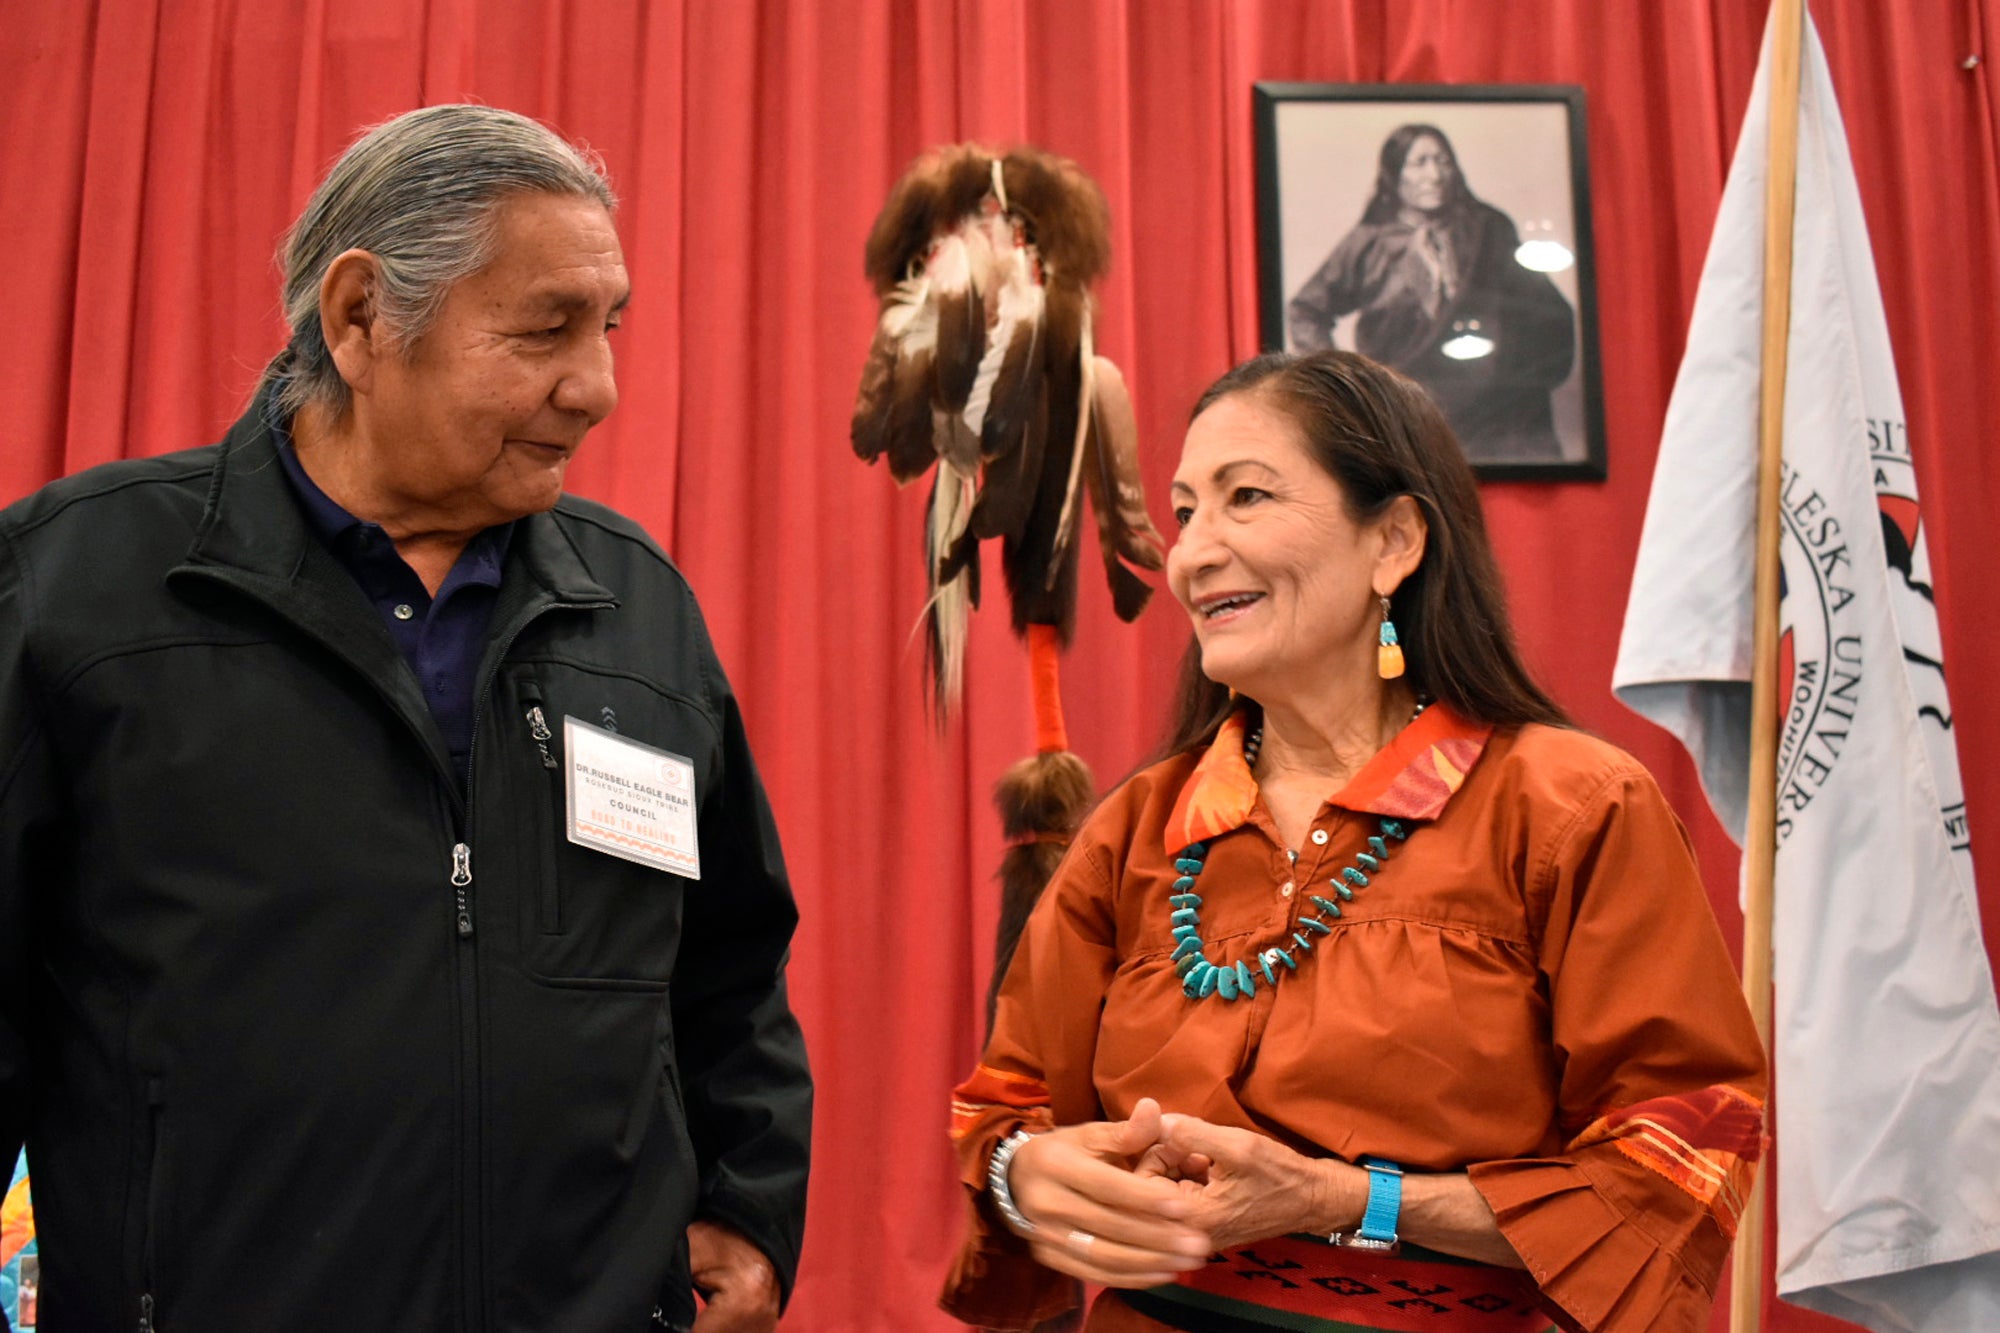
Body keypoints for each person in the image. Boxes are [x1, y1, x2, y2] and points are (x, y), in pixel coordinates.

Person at [0, 106, 811, 1332]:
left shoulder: (639, 606)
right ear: (360, 316)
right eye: (544, 330)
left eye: (607, 327)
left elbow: (729, 969)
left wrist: (750, 1206)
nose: (596, 388)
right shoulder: (78, 586)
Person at [941, 350, 1765, 1332]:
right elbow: (1005, 1109)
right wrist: (1024, 1172)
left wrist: (1347, 1198)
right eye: (1185, 511)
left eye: (1245, 497)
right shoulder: (1134, 830)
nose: (1191, 553)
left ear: (1394, 541)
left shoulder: (1570, 807)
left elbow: (1680, 1159)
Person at [1287, 125, 1577, 465]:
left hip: (1493, 417)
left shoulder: (1489, 228)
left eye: (1443, 161)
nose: (1435, 175)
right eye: (1419, 162)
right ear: (1394, 173)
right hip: (1406, 415)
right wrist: (1344, 389)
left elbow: (1544, 310)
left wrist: (1517, 377)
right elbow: (1305, 310)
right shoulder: (1368, 243)